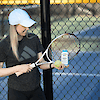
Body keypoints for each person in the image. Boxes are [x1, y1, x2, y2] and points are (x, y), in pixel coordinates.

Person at [0, 9, 68, 100]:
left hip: (36, 90)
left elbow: (41, 63)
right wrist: (18, 68)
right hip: (16, 92)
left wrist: (53, 65)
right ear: (14, 26)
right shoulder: (4, 44)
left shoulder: (33, 39)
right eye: (24, 26)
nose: (27, 28)